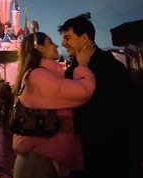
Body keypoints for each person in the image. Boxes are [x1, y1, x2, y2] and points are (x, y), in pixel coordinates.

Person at [58, 14, 136, 178]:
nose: (63, 43)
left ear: (84, 38)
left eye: (67, 38)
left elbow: (128, 110)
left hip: (105, 155)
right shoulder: (78, 69)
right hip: (92, 153)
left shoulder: (110, 69)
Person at [13, 31, 96, 178]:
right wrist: (83, 65)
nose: (57, 45)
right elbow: (82, 92)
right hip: (37, 162)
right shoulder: (39, 76)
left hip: (47, 158)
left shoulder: (45, 74)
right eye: (50, 42)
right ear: (40, 48)